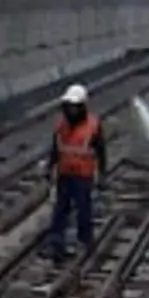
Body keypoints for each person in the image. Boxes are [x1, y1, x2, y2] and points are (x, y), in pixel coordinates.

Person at [46, 84, 107, 261]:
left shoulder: (93, 126)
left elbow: (101, 151)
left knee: (83, 210)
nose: (71, 111)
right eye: (69, 106)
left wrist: (102, 173)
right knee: (60, 210)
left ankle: (85, 241)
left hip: (83, 175)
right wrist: (49, 167)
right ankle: (57, 243)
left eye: (74, 107)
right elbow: (55, 148)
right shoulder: (61, 125)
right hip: (64, 173)